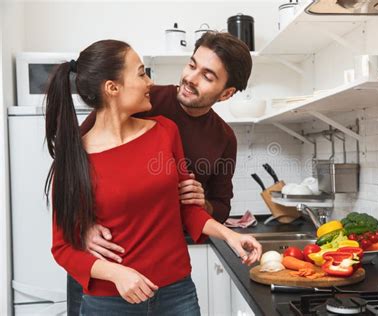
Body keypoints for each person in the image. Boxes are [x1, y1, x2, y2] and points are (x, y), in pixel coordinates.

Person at [45, 39, 261, 316]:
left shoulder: (184, 133)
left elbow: (202, 208)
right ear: (112, 88)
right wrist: (82, 224)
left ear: (226, 93)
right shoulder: (143, 102)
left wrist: (217, 221)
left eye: (207, 76)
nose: (189, 78)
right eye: (192, 65)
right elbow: (84, 154)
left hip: (175, 288)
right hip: (108, 290)